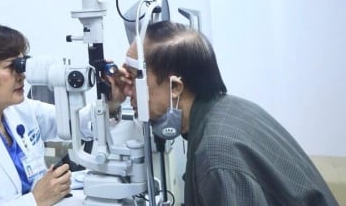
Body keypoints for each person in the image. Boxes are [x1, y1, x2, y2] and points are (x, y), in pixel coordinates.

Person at [113, 20, 338, 206]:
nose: (129, 89)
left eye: (135, 78)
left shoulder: (217, 154)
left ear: (175, 87)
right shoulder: (230, 109)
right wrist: (113, 103)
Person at [0, 22, 129, 206]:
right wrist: (35, 201)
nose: (22, 74)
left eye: (23, 64)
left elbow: (73, 123)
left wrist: (110, 102)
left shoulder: (19, 110)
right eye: (12, 67)